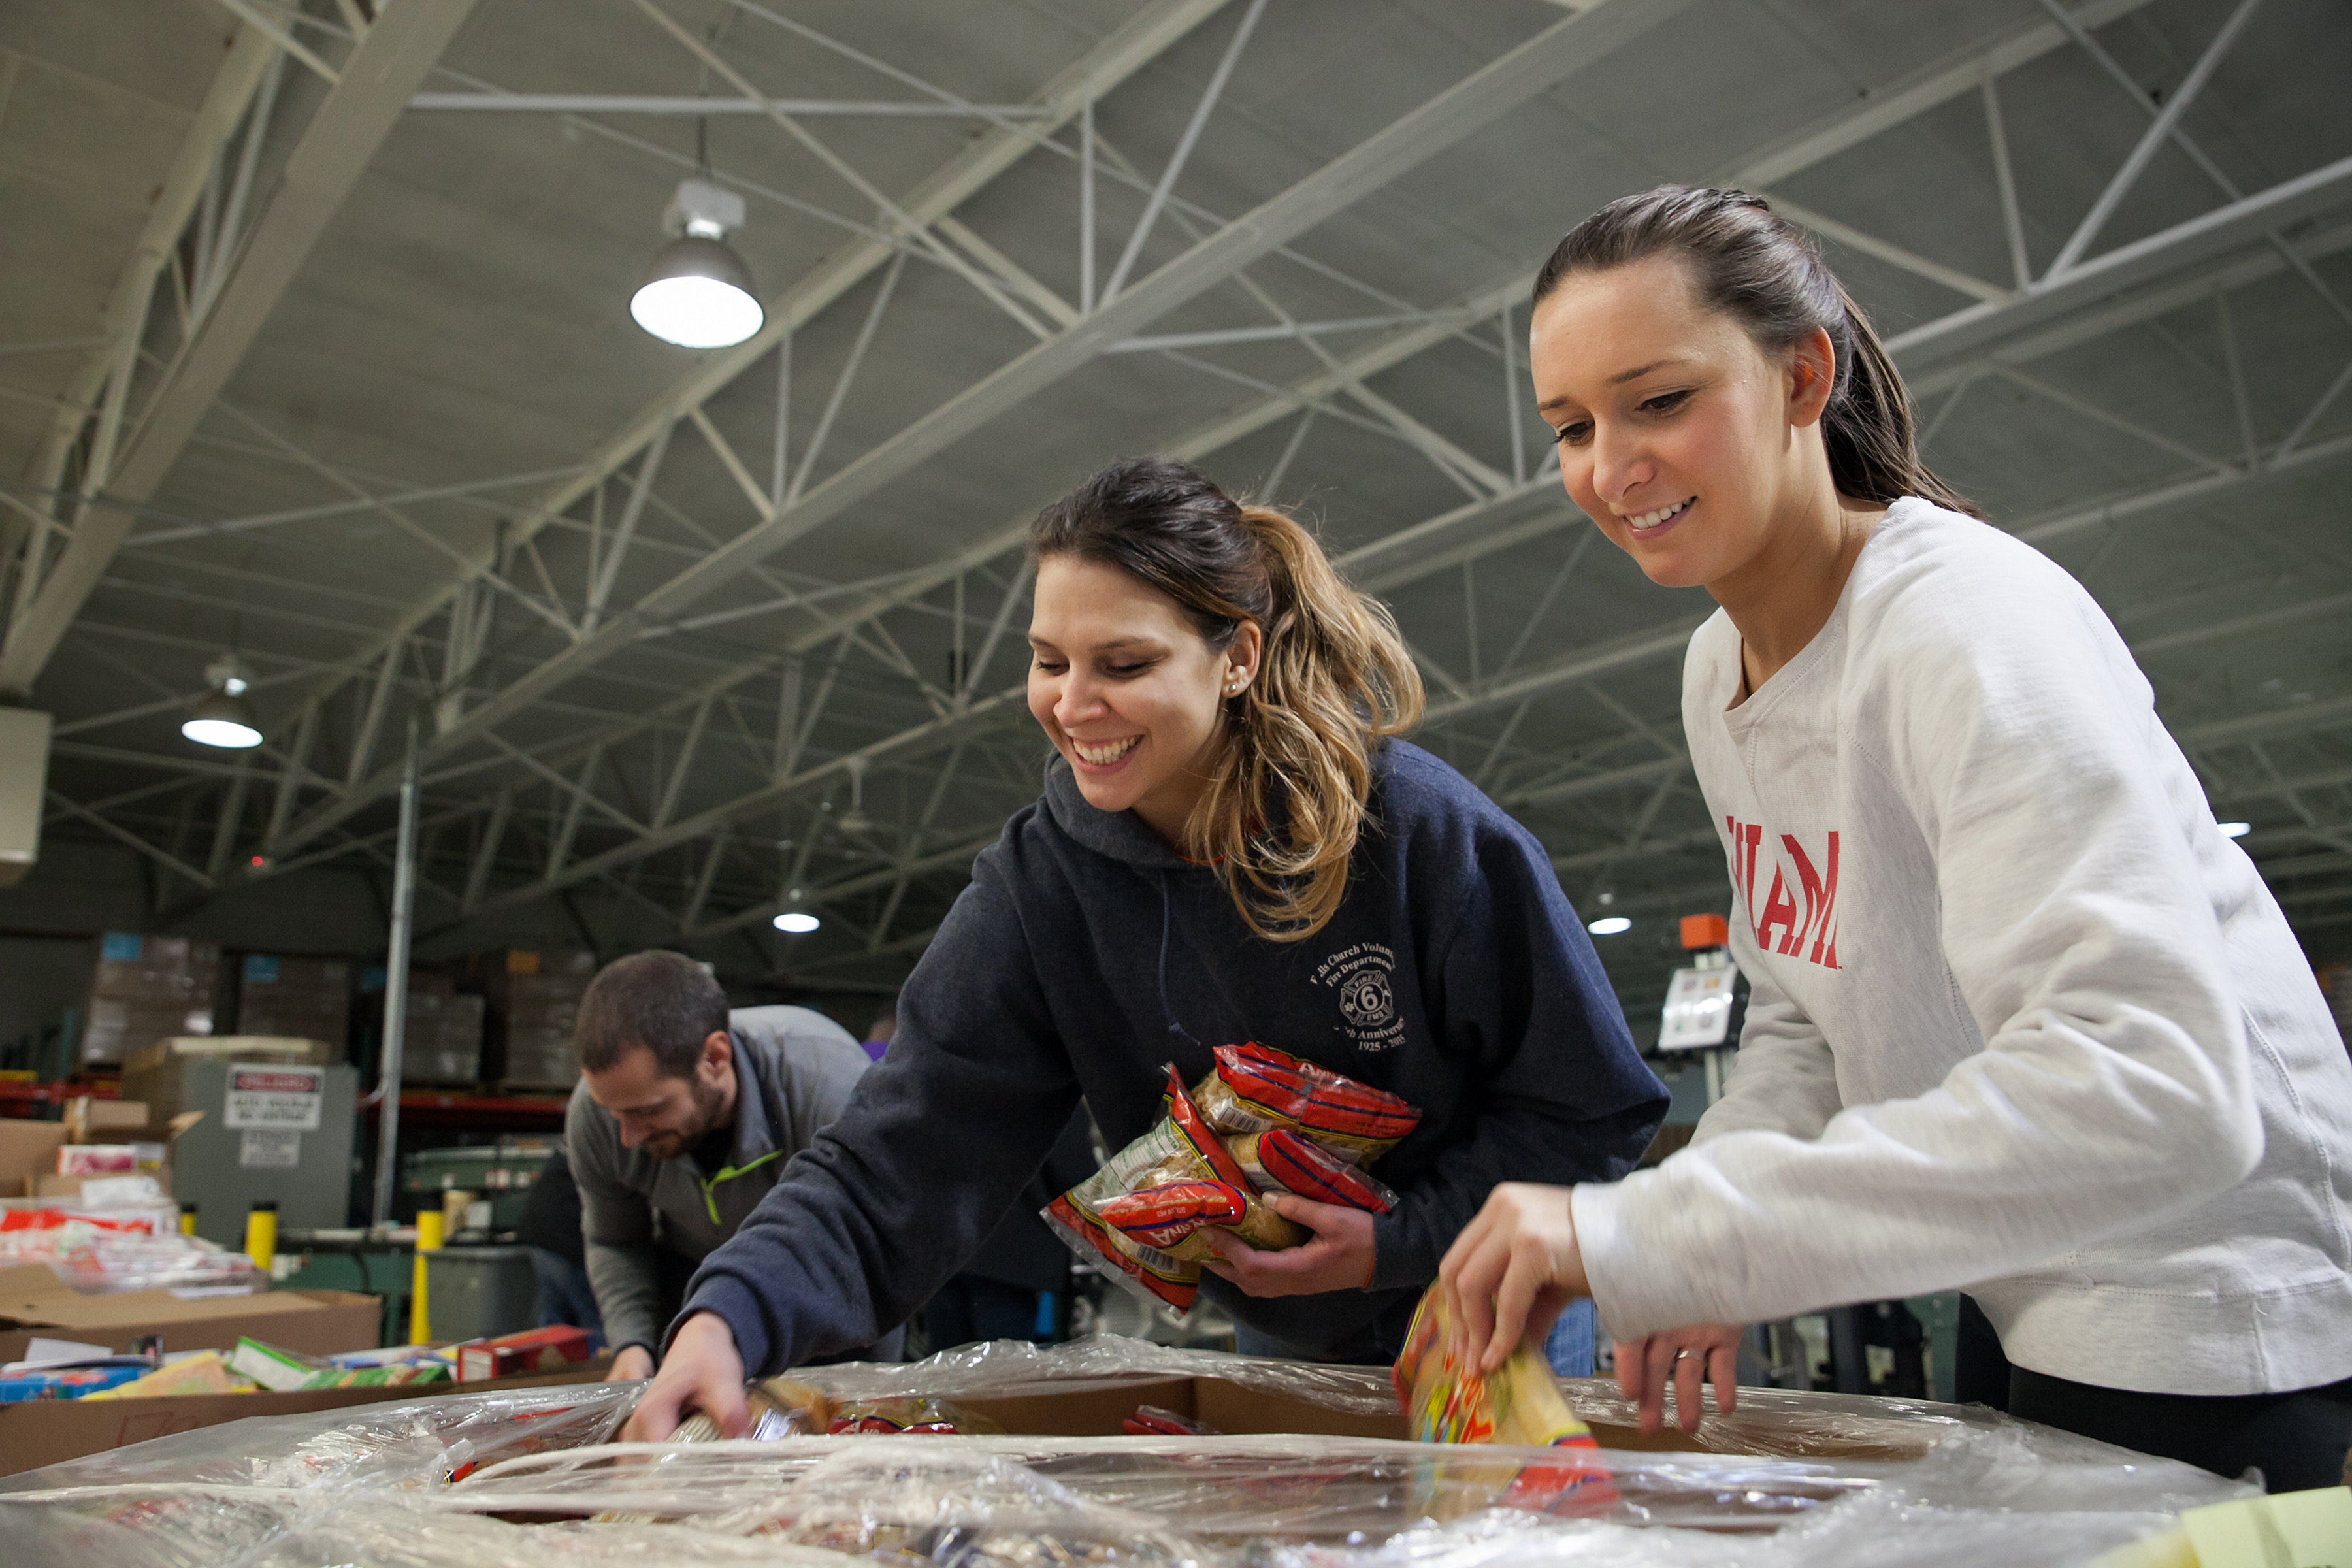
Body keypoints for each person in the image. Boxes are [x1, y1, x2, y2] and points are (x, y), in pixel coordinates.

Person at [1439, 184, 2352, 1490]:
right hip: (2020, 1296)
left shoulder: (1967, 624)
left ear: (1805, 374)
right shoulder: (1719, 674)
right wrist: (1717, 1241)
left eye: (1659, 401)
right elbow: (1807, 1014)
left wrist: (1671, 1231)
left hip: (2222, 1325)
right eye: (1573, 427)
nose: (1612, 466)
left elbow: (2158, 1086)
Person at [622, 455, 1668, 1439]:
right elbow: (902, 1150)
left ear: (1237, 660)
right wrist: (726, 1319)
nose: (1073, 706)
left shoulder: (1416, 833)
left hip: (1484, 1304)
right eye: (1047, 662)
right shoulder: (1042, 887)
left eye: (1124, 664)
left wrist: (1394, 1243)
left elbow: (1592, 1109)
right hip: (1287, 1330)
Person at [566, 951, 880, 1380]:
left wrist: (866, 1383)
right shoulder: (600, 1110)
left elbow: (869, 1248)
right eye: (614, 1112)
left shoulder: (824, 1083)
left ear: (714, 1058)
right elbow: (614, 1240)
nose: (628, 1137)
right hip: (694, 1291)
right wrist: (632, 1344)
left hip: (821, 1287)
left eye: (648, 1110)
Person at [512, 1141, 604, 1348]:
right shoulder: (599, 1144)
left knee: (553, 1319)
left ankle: (551, 1370)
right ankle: (604, 1372)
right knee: (593, 1320)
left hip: (541, 1235)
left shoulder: (574, 1144)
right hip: (566, 1237)